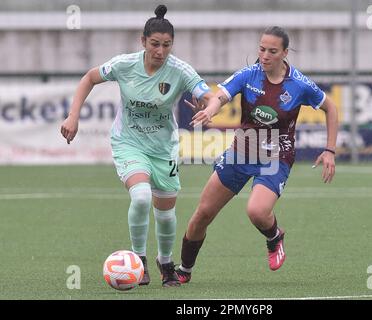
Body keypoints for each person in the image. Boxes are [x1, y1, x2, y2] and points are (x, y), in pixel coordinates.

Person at [60, 5, 212, 287]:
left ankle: (165, 261)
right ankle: (138, 261)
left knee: (165, 213)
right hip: (128, 143)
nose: (161, 51)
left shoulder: (179, 70)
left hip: (163, 148)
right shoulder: (124, 64)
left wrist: (209, 107)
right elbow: (89, 78)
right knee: (141, 197)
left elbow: (208, 94)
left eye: (167, 45)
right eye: (155, 44)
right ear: (143, 42)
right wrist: (73, 115)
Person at [175, 26, 338, 283]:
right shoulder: (249, 75)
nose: (264, 55)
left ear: (284, 53)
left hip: (276, 157)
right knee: (203, 214)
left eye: (272, 51)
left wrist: (329, 149)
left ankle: (274, 237)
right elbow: (221, 96)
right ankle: (184, 269)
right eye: (261, 49)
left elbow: (331, 108)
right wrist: (211, 110)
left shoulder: (299, 84)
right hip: (242, 152)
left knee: (257, 212)